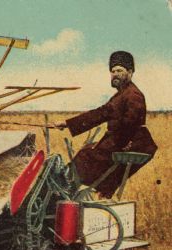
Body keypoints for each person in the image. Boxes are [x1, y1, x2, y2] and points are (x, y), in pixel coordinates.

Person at [56, 51, 158, 198]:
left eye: (119, 71)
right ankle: (68, 191)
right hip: (122, 142)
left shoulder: (133, 95)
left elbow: (129, 125)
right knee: (88, 153)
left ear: (130, 72)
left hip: (132, 143)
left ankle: (64, 193)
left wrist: (110, 145)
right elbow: (99, 114)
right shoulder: (120, 95)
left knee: (86, 156)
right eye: (113, 71)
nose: (115, 74)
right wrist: (66, 123)